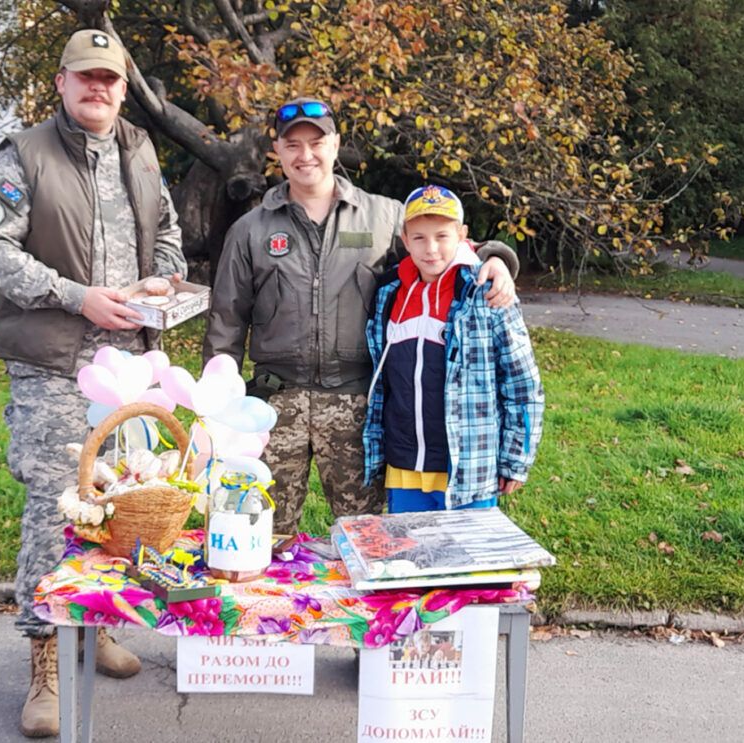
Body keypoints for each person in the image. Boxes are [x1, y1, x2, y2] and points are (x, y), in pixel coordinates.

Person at [0, 29, 187, 738]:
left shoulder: (140, 149)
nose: (98, 89)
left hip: (129, 363)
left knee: (121, 501)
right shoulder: (25, 154)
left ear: (124, 87)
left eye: (110, 79)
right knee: (56, 507)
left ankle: (94, 628)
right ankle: (45, 663)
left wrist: (164, 274)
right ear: (61, 83)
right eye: (85, 77)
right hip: (58, 363)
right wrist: (76, 294)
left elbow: (171, 231)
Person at [203, 97, 520, 534]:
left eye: (316, 142)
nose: (305, 155)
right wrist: (219, 407)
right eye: (292, 145)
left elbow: (439, 249)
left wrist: (497, 257)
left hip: (357, 405)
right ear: (276, 150)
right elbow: (226, 321)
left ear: (335, 144)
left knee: (367, 537)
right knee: (260, 530)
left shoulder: (384, 216)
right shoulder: (251, 229)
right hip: (274, 405)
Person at [363, 185, 543, 513]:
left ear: (462, 235)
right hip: (404, 466)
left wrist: (516, 458)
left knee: (467, 561)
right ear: (405, 239)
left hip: (468, 469)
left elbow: (522, 383)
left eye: (442, 236)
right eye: (419, 238)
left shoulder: (487, 293)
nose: (431, 249)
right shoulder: (389, 292)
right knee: (411, 559)